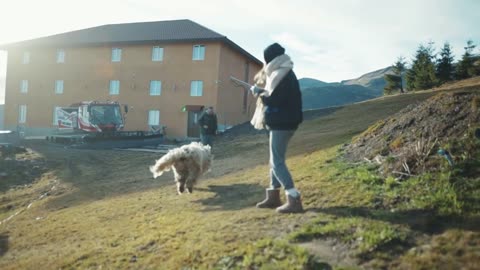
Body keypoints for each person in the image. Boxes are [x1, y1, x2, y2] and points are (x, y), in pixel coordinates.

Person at [250, 43, 304, 214]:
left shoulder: (281, 74)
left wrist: (258, 92)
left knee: (277, 162)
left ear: (270, 59)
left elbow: (275, 100)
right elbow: (277, 98)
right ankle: (273, 196)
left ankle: (293, 198)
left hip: (282, 123)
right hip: (283, 122)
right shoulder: (285, 71)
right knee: (275, 159)